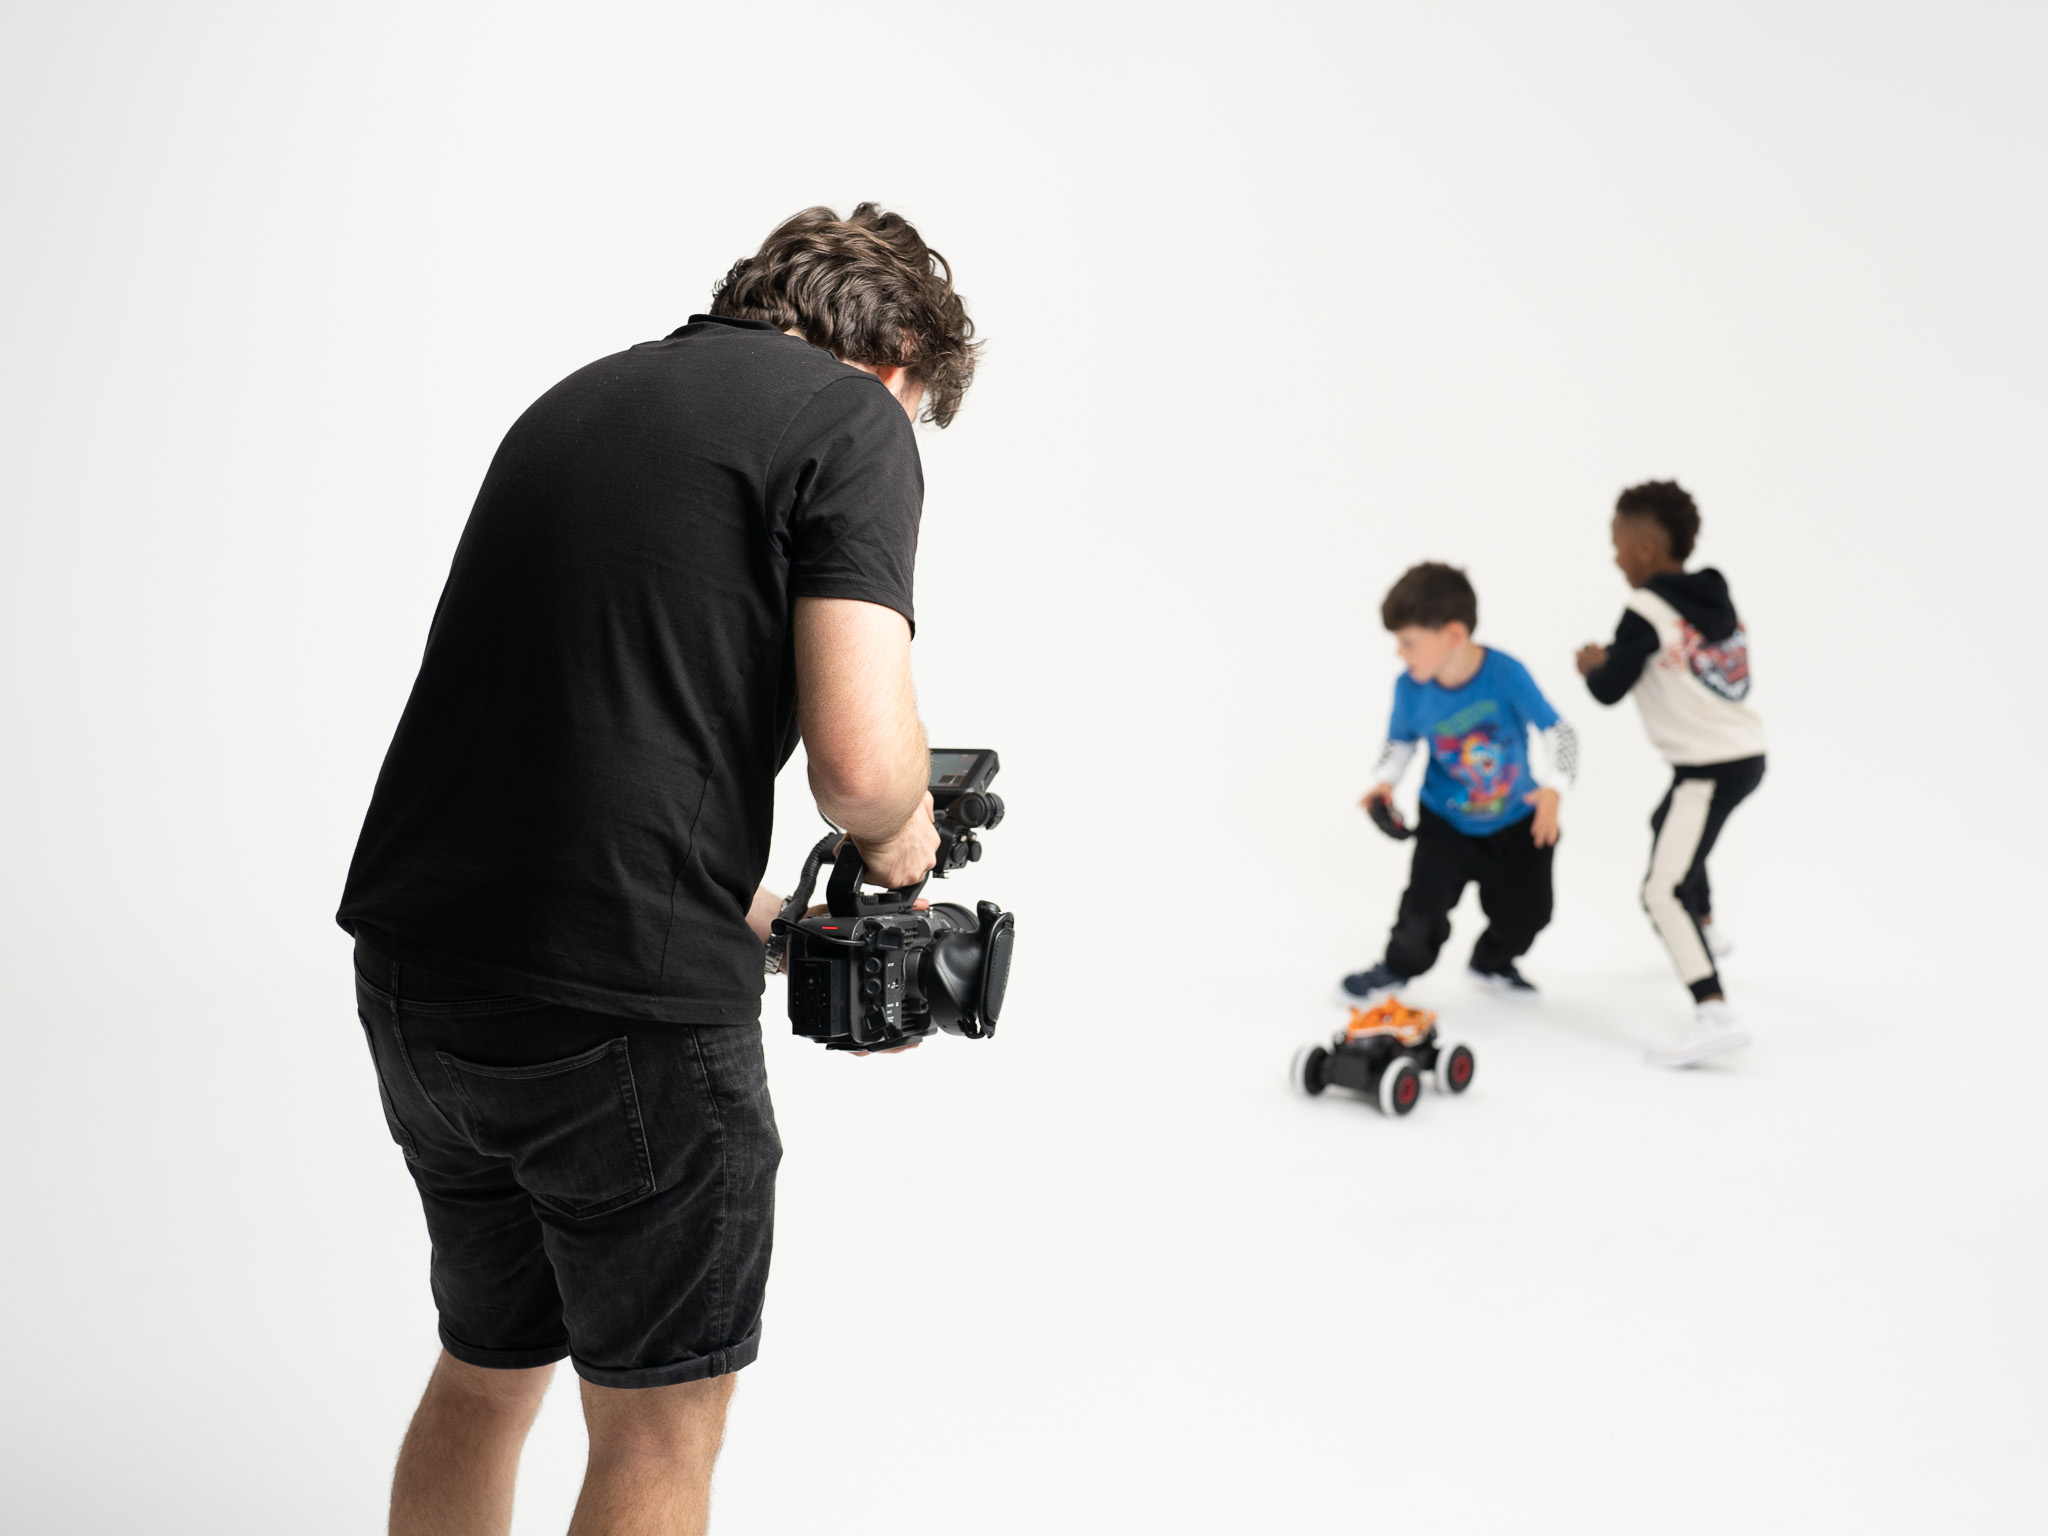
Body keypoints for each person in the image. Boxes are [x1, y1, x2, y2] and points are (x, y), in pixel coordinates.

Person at [336, 203, 977, 1536]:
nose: (904, 437)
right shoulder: (848, 420)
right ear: (897, 351)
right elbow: (862, 768)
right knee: (657, 1428)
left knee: (487, 1368)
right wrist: (899, 840)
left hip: (421, 978)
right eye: (918, 409)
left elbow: (578, 727)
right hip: (620, 1021)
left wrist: (751, 906)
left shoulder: (579, 402)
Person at [1575, 479, 1765, 1069]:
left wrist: (1592, 665)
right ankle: (1705, 927)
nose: (1614, 557)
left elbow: (1610, 690)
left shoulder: (1644, 610)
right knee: (1670, 825)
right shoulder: (1713, 594)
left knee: (1661, 889)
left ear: (1647, 550)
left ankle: (1712, 1010)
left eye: (1618, 544)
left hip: (1706, 767)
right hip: (1745, 751)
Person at [1342, 562, 1578, 1003]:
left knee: (1530, 912)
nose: (1400, 654)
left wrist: (1554, 789)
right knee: (1421, 911)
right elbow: (1400, 742)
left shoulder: (1505, 674)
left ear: (1452, 635)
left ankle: (1492, 962)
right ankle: (1396, 969)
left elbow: (1559, 732)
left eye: (1409, 643)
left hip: (1516, 821)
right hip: (1445, 821)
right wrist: (1383, 783)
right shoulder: (1410, 689)